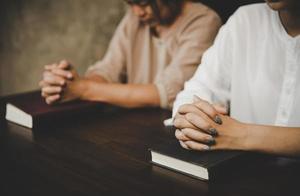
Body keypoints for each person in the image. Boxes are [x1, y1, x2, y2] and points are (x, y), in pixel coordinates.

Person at [172, 0, 300, 157]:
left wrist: (240, 135)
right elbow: (199, 88)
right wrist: (191, 119)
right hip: (240, 171)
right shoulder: (244, 20)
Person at [39, 0, 222, 109]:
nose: (137, 12)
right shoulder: (134, 19)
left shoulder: (204, 21)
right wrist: (69, 82)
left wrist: (84, 89)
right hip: (133, 129)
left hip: (177, 135)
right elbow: (108, 70)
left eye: (143, 3)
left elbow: (165, 94)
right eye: (131, 3)